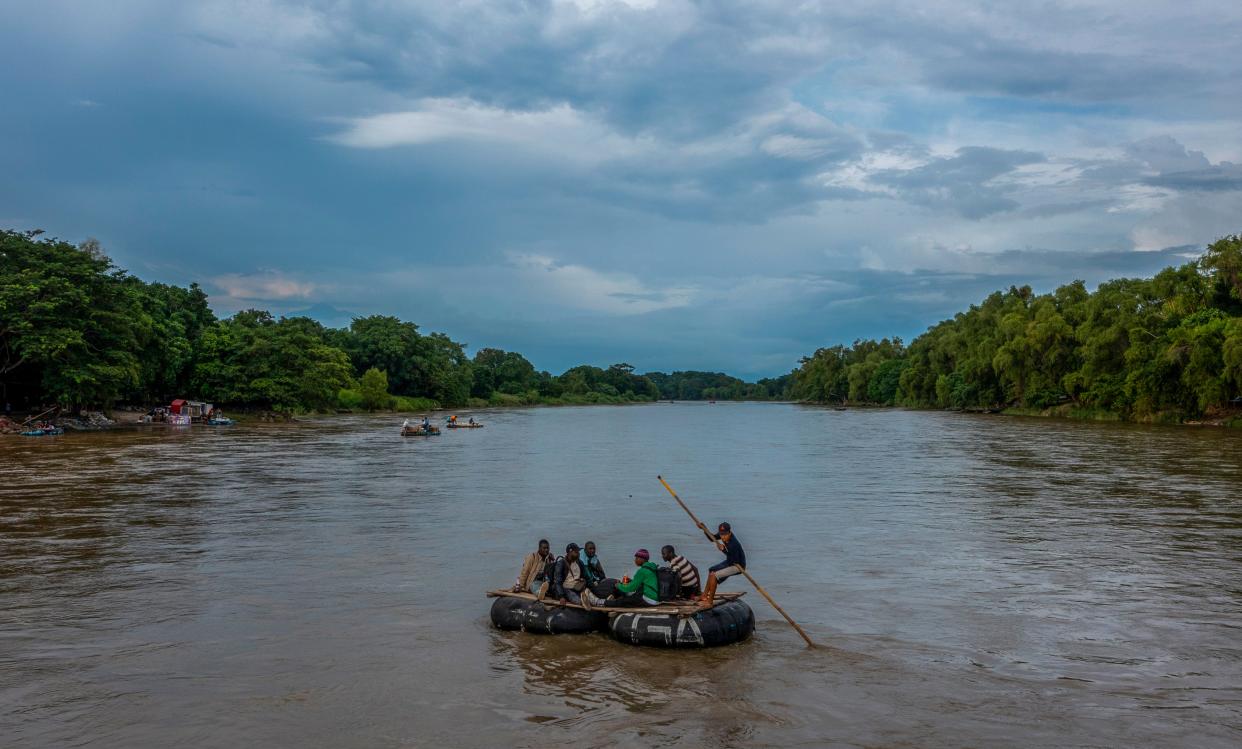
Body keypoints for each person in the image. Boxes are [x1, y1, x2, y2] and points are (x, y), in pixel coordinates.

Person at [697, 521, 746, 608]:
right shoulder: (722, 534)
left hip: (738, 565)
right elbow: (713, 538)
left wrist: (723, 549)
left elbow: (734, 560)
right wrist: (704, 529)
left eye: (725, 535)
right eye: (721, 534)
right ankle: (704, 596)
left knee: (714, 575)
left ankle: (709, 602)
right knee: (711, 569)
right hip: (730, 561)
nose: (723, 537)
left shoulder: (733, 544)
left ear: (729, 532)